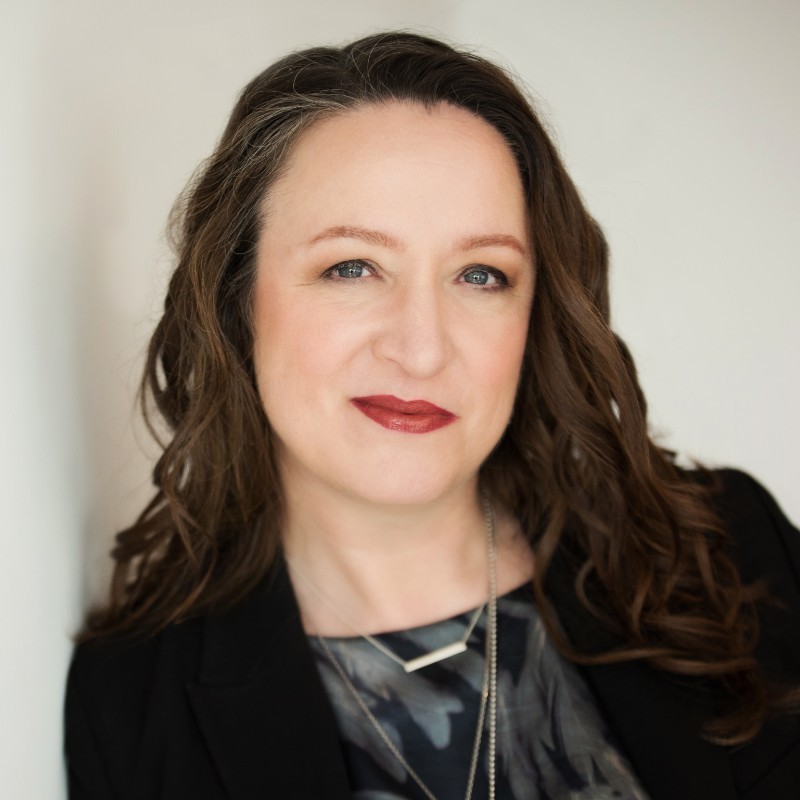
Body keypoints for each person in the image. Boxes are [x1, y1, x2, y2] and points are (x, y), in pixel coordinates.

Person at [65, 31, 800, 800]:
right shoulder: (132, 710)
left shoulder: (734, 555)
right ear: (238, 299)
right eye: (352, 267)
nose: (421, 350)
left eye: (481, 274)